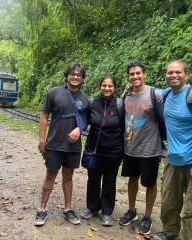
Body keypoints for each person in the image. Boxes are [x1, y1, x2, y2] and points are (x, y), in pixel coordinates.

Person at [153, 61, 192, 240]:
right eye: (170, 73)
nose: (173, 75)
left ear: (186, 75)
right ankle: (171, 232)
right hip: (173, 159)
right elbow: (149, 90)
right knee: (169, 200)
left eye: (178, 72)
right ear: (166, 76)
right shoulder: (166, 95)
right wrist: (130, 86)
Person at [35, 63, 89, 226]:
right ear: (67, 75)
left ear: (82, 78)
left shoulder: (85, 98)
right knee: (50, 175)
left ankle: (68, 209)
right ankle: (42, 209)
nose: (75, 77)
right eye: (72, 74)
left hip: (73, 146)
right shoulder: (54, 93)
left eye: (79, 75)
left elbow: (86, 120)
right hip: (54, 143)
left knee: (68, 176)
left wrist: (79, 130)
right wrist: (42, 139)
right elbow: (44, 116)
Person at [119, 61, 164, 235]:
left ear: (144, 74)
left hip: (150, 149)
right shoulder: (126, 95)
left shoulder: (155, 94)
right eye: (132, 74)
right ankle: (131, 211)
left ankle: (147, 216)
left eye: (138, 73)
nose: (135, 76)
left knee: (150, 183)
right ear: (128, 77)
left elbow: (163, 118)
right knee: (132, 179)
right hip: (130, 148)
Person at [80, 76, 124, 226]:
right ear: (100, 87)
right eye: (104, 85)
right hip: (94, 150)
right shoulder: (92, 103)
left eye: (110, 86)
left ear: (115, 88)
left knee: (110, 181)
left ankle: (107, 211)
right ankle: (92, 207)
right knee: (93, 179)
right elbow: (84, 121)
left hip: (114, 151)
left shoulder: (120, 105)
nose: (107, 88)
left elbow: (125, 126)